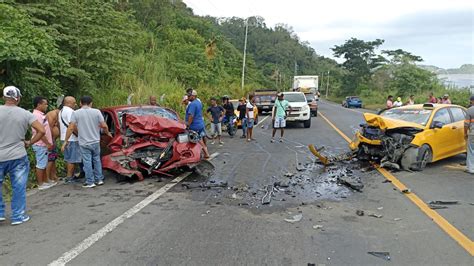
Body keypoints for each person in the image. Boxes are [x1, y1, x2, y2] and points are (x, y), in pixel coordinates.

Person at [0, 86, 46, 225]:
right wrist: (29, 142)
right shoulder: (25, 114)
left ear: (3, 98)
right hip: (18, 155)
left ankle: (0, 213)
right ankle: (18, 216)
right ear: (18, 98)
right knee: (18, 187)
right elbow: (41, 130)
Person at [61, 96, 112, 188]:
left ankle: (90, 181)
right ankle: (99, 179)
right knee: (96, 160)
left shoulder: (76, 113)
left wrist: (66, 141)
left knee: (87, 161)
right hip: (96, 141)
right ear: (91, 103)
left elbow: (71, 127)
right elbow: (104, 125)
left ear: (80, 103)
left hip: (84, 142)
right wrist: (108, 133)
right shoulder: (97, 112)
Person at [31, 96, 56, 190]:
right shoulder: (36, 115)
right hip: (40, 143)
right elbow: (40, 132)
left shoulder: (41, 114)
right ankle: (40, 183)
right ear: (39, 104)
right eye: (45, 104)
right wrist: (47, 143)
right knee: (40, 164)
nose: (46, 106)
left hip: (44, 144)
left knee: (44, 163)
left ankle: (45, 181)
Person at [59, 96, 82, 183]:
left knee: (68, 158)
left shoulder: (61, 111)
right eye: (74, 103)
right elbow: (72, 126)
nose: (75, 104)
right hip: (71, 138)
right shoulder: (70, 111)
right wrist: (79, 134)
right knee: (72, 159)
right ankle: (70, 178)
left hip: (64, 137)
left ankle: (70, 176)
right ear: (68, 103)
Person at [186, 90, 210, 158]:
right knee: (200, 139)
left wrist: (188, 124)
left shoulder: (193, 104)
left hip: (194, 125)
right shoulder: (199, 102)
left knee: (194, 140)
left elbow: (191, 116)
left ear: (193, 96)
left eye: (189, 96)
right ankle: (206, 153)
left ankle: (195, 155)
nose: (188, 97)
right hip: (200, 124)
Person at [45, 105, 60, 183]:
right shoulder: (53, 114)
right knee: (50, 159)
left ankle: (53, 176)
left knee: (53, 159)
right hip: (50, 141)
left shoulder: (57, 115)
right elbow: (48, 128)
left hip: (53, 140)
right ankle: (47, 178)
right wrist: (50, 141)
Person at [464, 95, 474, 174]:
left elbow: (466, 124)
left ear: (472, 101)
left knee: (470, 150)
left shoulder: (470, 110)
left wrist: (465, 133)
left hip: (472, 133)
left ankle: (471, 169)